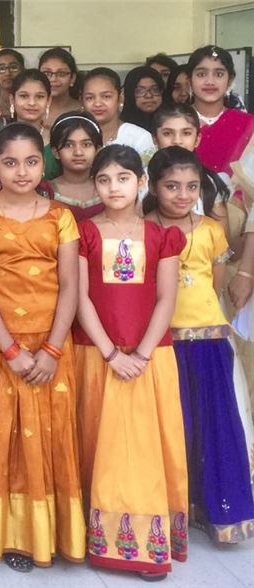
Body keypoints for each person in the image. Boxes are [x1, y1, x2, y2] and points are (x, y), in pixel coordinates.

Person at [0, 122, 84, 572]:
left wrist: (53, 350)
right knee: (2, 436)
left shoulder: (61, 216)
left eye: (30, 162)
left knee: (48, 436)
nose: (21, 172)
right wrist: (10, 350)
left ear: (43, 163)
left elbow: (70, 287)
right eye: (10, 162)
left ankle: (52, 533)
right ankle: (8, 534)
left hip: (50, 345)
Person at [75, 145, 188, 581]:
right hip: (94, 354)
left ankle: (146, 546)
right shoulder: (83, 233)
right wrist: (110, 353)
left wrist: (139, 355)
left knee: (143, 449)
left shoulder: (163, 237)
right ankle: (90, 536)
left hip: (150, 358)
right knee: (95, 442)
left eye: (123, 178)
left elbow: (166, 299)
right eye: (103, 180)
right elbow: (80, 297)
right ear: (95, 185)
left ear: (141, 182)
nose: (113, 187)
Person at [143, 145, 254, 544]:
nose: (183, 194)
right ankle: (177, 506)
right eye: (172, 186)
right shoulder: (144, 229)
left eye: (191, 187)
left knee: (215, 422)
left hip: (208, 338)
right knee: (176, 423)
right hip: (162, 341)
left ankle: (218, 510)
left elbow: (215, 284)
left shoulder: (210, 229)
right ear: (153, 187)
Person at [150, 104, 254, 471]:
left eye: (185, 132)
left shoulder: (212, 195)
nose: (176, 140)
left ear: (197, 137)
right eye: (168, 132)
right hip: (159, 329)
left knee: (213, 406)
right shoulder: (144, 216)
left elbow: (216, 274)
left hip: (205, 321)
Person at [187, 48, 254, 389]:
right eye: (201, 73)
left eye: (218, 73)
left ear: (230, 79)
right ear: (189, 79)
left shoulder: (248, 124)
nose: (210, 80)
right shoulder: (176, 121)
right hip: (184, 228)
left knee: (235, 322)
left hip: (239, 231)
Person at [81, 68, 156, 162]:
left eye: (106, 96)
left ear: (120, 99)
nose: (97, 104)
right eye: (89, 98)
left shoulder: (139, 137)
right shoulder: (74, 136)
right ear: (82, 101)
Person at [48, 112, 104, 220]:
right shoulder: (45, 192)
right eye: (68, 145)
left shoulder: (110, 189)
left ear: (97, 150)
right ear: (56, 152)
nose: (78, 152)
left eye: (86, 144)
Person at [8, 69, 55, 176]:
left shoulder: (56, 139)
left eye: (39, 97)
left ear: (48, 100)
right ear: (12, 99)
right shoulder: (1, 138)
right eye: (24, 96)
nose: (32, 103)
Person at [39, 48, 83, 124]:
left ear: (72, 78)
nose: (53, 79)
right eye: (47, 73)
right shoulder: (30, 109)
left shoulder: (84, 111)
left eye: (61, 74)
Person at [121, 67, 166, 132]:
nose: (149, 95)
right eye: (140, 91)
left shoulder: (174, 122)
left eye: (155, 89)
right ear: (130, 94)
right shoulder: (120, 129)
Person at [0, 49, 25, 122]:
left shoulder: (31, 99)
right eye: (1, 69)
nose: (7, 73)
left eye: (13, 67)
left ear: (22, 71)